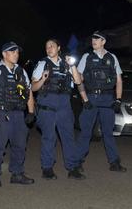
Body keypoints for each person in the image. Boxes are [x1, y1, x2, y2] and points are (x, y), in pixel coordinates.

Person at [0, 41, 36, 187]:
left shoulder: (21, 71)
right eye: (12, 52)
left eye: (17, 52)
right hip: (1, 112)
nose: (16, 54)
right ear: (4, 54)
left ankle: (17, 173)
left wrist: (31, 112)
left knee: (20, 145)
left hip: (18, 113)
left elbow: (28, 92)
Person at [31, 39, 85, 180]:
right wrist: (42, 79)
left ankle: (72, 168)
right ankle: (47, 168)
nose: (49, 48)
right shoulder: (43, 64)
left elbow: (78, 81)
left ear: (59, 48)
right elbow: (33, 87)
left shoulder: (66, 63)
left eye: (52, 46)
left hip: (64, 106)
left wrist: (72, 65)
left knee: (68, 137)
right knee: (49, 138)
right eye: (47, 46)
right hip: (47, 106)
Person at [75, 31, 126, 173]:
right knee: (86, 132)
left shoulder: (112, 57)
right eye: (93, 38)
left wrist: (118, 99)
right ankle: (77, 162)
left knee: (108, 132)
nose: (94, 40)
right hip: (91, 97)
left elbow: (119, 80)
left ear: (103, 41)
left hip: (108, 99)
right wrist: (84, 98)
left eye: (97, 39)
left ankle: (114, 162)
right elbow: (79, 80)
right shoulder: (87, 57)